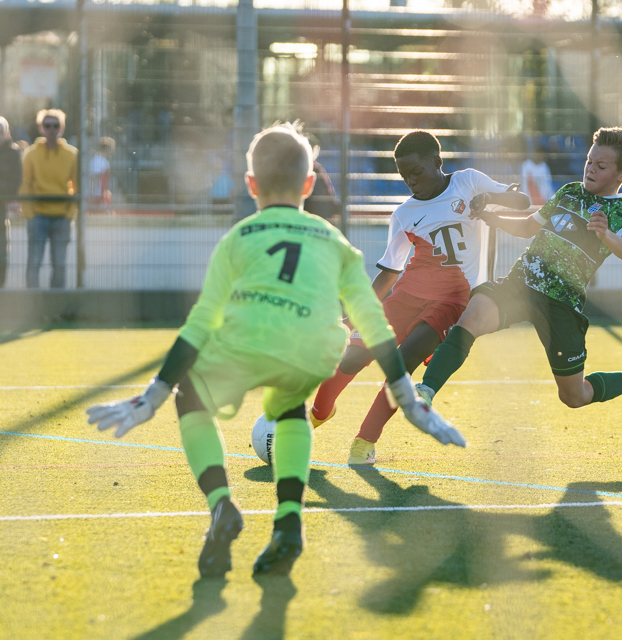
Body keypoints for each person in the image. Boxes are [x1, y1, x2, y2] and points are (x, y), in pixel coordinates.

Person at [86, 123, 466, 578]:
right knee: (289, 406)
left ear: (250, 186)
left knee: (192, 395)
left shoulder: (239, 238)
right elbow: (372, 321)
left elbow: (201, 321)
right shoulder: (334, 242)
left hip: (250, 342)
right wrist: (407, 395)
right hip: (312, 348)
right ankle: (289, 522)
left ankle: (221, 505)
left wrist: (155, 392)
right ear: (309, 184)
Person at [308, 130, 530, 465]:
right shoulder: (404, 214)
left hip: (452, 301)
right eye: (404, 176)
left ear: (438, 162)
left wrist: (491, 200)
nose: (411, 181)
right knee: (352, 359)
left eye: (417, 172)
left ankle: (364, 442)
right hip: (407, 295)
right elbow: (389, 272)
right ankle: (316, 414)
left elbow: (522, 201)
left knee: (402, 364)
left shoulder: (468, 182)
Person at [416, 127, 622, 413]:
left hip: (560, 305)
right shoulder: (569, 192)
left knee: (574, 396)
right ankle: (426, 390)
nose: (590, 170)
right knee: (470, 318)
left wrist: (606, 235)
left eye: (601, 166)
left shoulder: (618, 209)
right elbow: (526, 227)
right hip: (520, 283)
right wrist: (493, 217)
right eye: (588, 161)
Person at [19, 109, 78, 289]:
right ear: (41, 128)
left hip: (62, 217)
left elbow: (76, 186)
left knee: (59, 265)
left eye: (55, 125)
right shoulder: (31, 154)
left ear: (61, 128)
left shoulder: (72, 154)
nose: (51, 129)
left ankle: (57, 310)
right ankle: (33, 306)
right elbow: (25, 185)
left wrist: (69, 213)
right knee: (34, 262)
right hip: (38, 216)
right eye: (47, 125)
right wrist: (29, 213)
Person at [0, 116, 22, 288]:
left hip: (1, 211)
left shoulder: (14, 152)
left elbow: (16, 182)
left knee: (1, 254)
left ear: (6, 133)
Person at [89, 136, 115, 207]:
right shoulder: (98, 160)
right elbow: (94, 177)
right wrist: (93, 194)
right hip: (97, 194)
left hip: (101, 193)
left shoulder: (104, 160)